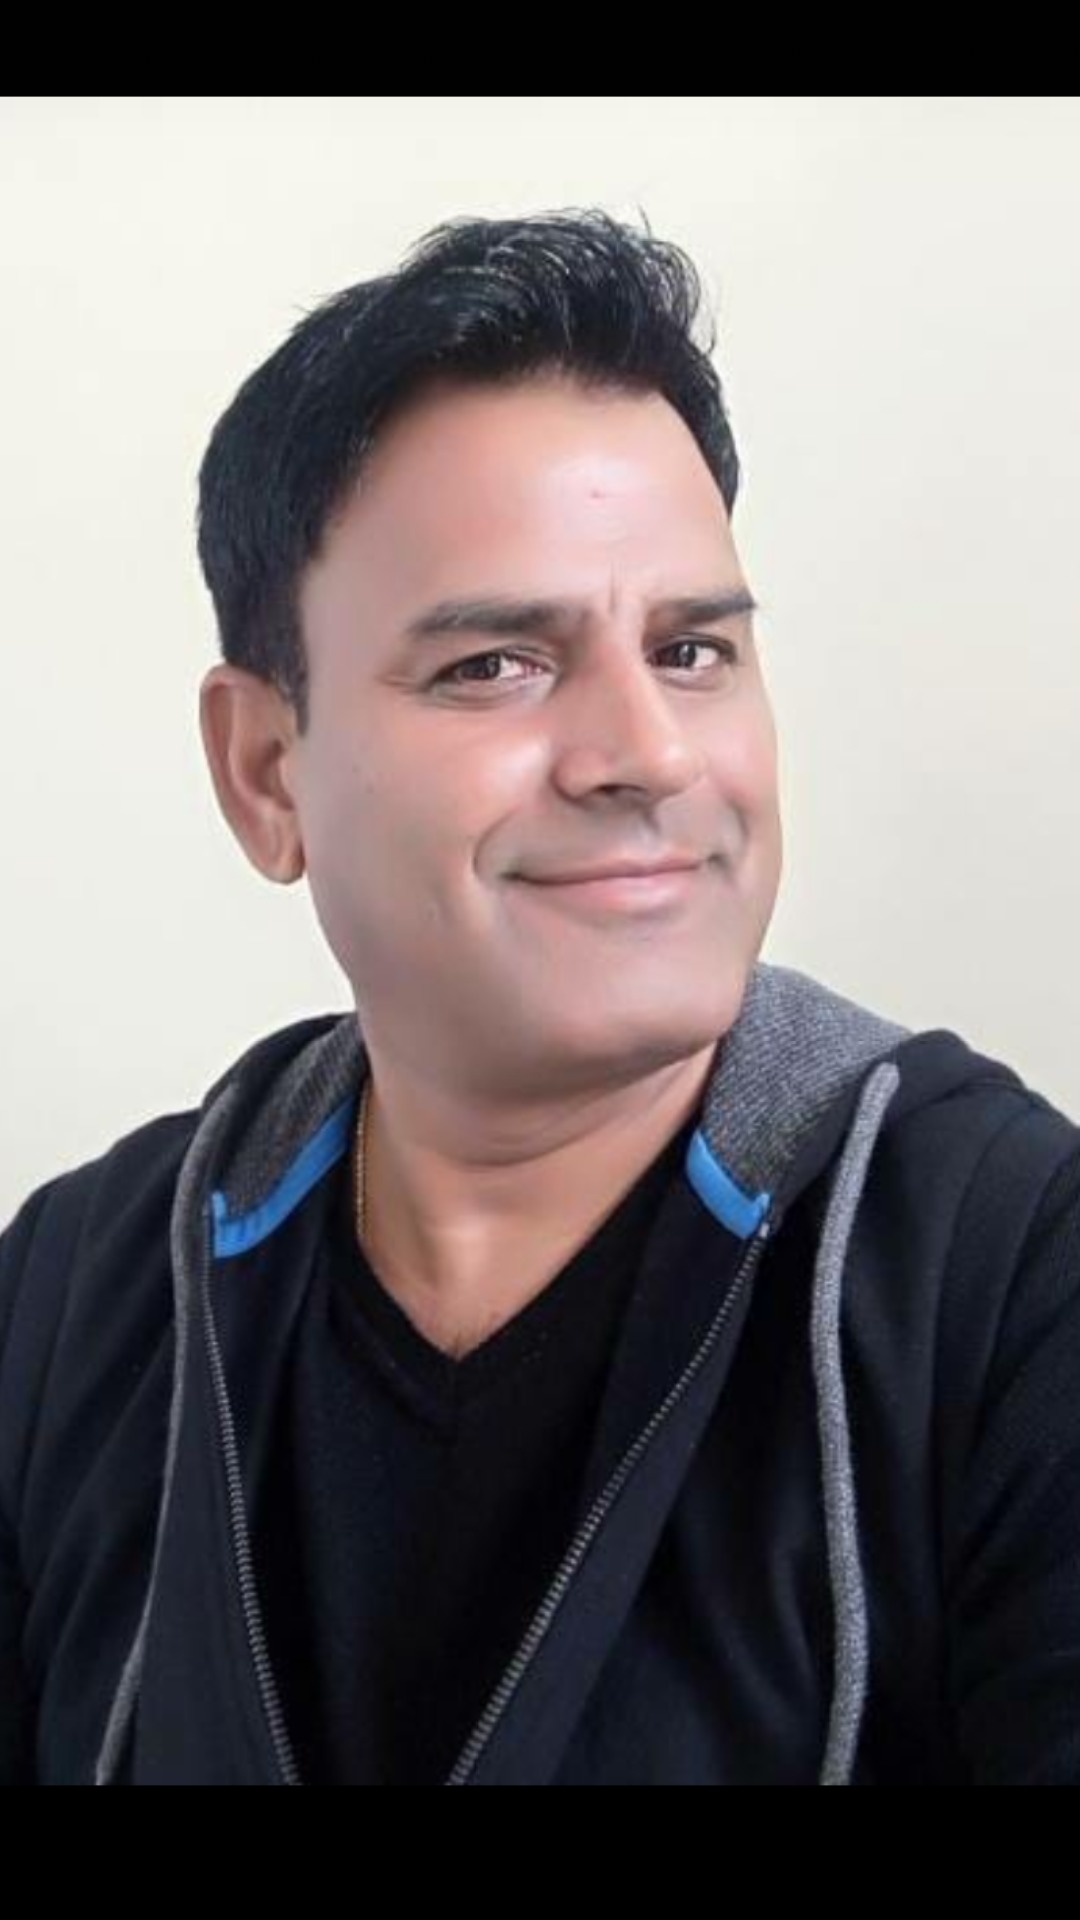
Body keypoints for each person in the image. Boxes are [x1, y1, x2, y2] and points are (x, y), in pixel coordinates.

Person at [3, 209, 1079, 1787]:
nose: (646, 752)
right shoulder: (75, 1302)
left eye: (694, 649)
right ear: (267, 771)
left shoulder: (1003, 1280)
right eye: (496, 664)